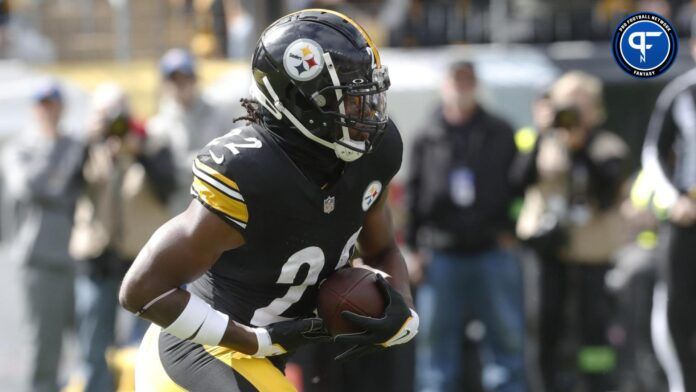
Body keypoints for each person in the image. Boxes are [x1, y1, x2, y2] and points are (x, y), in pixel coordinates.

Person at [119, 9, 419, 391]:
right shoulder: (250, 172)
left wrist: (403, 306)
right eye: (348, 101)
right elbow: (142, 289)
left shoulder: (375, 152)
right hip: (199, 350)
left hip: (262, 362)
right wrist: (254, 339)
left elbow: (380, 250)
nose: (366, 113)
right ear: (302, 106)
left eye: (368, 95)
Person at [409, 61, 525, 392]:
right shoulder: (427, 135)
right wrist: (414, 249)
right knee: (435, 345)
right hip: (441, 253)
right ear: (444, 85)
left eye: (467, 80)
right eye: (456, 80)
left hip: (492, 250)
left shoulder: (500, 131)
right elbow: (414, 198)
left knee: (505, 340)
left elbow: (518, 187)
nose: (461, 87)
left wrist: (512, 230)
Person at [516, 71, 629, 392]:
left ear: (595, 109)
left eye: (582, 104)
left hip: (592, 257)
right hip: (548, 253)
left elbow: (607, 195)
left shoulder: (607, 146)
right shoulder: (542, 141)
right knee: (544, 329)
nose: (574, 112)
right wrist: (543, 132)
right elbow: (516, 181)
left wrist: (580, 148)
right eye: (567, 103)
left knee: (594, 332)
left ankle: (598, 387)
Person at [69, 83, 175, 391]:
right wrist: (88, 143)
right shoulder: (85, 148)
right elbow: (67, 190)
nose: (113, 122)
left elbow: (168, 188)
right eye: (104, 115)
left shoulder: (152, 143)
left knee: (146, 343)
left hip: (142, 260)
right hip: (97, 258)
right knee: (92, 341)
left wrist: (138, 151)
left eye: (118, 113)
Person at [2, 80, 84, 392]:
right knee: (44, 345)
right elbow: (28, 186)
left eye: (53, 103)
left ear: (63, 107)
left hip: (78, 255)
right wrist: (57, 164)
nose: (48, 110)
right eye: (42, 104)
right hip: (40, 259)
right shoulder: (20, 147)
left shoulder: (75, 144)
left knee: (91, 344)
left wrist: (55, 180)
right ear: (34, 109)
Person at [642, 41, 696, 391]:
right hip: (688, 220)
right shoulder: (681, 93)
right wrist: (675, 200)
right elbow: (652, 154)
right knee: (676, 306)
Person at [147, 48, 231, 215]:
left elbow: (231, 159)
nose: (180, 85)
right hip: (179, 211)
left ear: (194, 79)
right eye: (174, 80)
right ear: (165, 84)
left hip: (220, 205)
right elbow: (164, 173)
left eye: (184, 79)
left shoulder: (218, 113)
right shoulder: (157, 125)